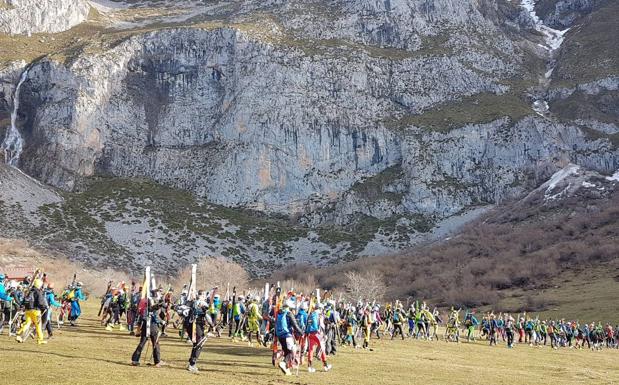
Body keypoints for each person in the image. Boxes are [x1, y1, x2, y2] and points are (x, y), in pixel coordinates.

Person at [131, 289, 164, 367]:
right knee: (155, 344)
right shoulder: (152, 304)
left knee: (142, 343)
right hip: (152, 326)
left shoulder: (146, 305)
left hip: (145, 325)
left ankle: (135, 359)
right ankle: (157, 361)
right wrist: (162, 322)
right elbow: (155, 315)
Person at [185, 290, 214, 373]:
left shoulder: (192, 302)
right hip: (196, 325)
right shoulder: (202, 303)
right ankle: (192, 364)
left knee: (196, 344)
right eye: (204, 295)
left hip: (190, 325)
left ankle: (191, 363)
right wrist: (212, 324)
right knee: (199, 344)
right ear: (203, 295)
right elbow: (207, 315)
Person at [275, 300, 303, 375]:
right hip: (287, 335)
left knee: (286, 352)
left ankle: (286, 369)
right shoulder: (289, 314)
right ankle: (283, 363)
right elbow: (295, 325)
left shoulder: (279, 313)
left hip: (280, 336)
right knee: (292, 351)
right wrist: (301, 332)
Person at [16, 278, 48, 344]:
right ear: (39, 285)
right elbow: (40, 302)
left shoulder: (29, 291)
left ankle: (19, 335)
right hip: (36, 311)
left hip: (28, 311)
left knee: (27, 324)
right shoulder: (38, 292)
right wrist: (44, 307)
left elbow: (24, 301)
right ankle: (40, 340)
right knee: (38, 325)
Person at [306, 302, 332, 373]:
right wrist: (323, 334)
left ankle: (309, 366)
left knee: (311, 350)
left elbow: (307, 324)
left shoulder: (311, 314)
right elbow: (321, 325)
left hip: (310, 334)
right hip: (317, 333)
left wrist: (307, 332)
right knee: (322, 348)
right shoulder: (319, 315)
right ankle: (325, 365)